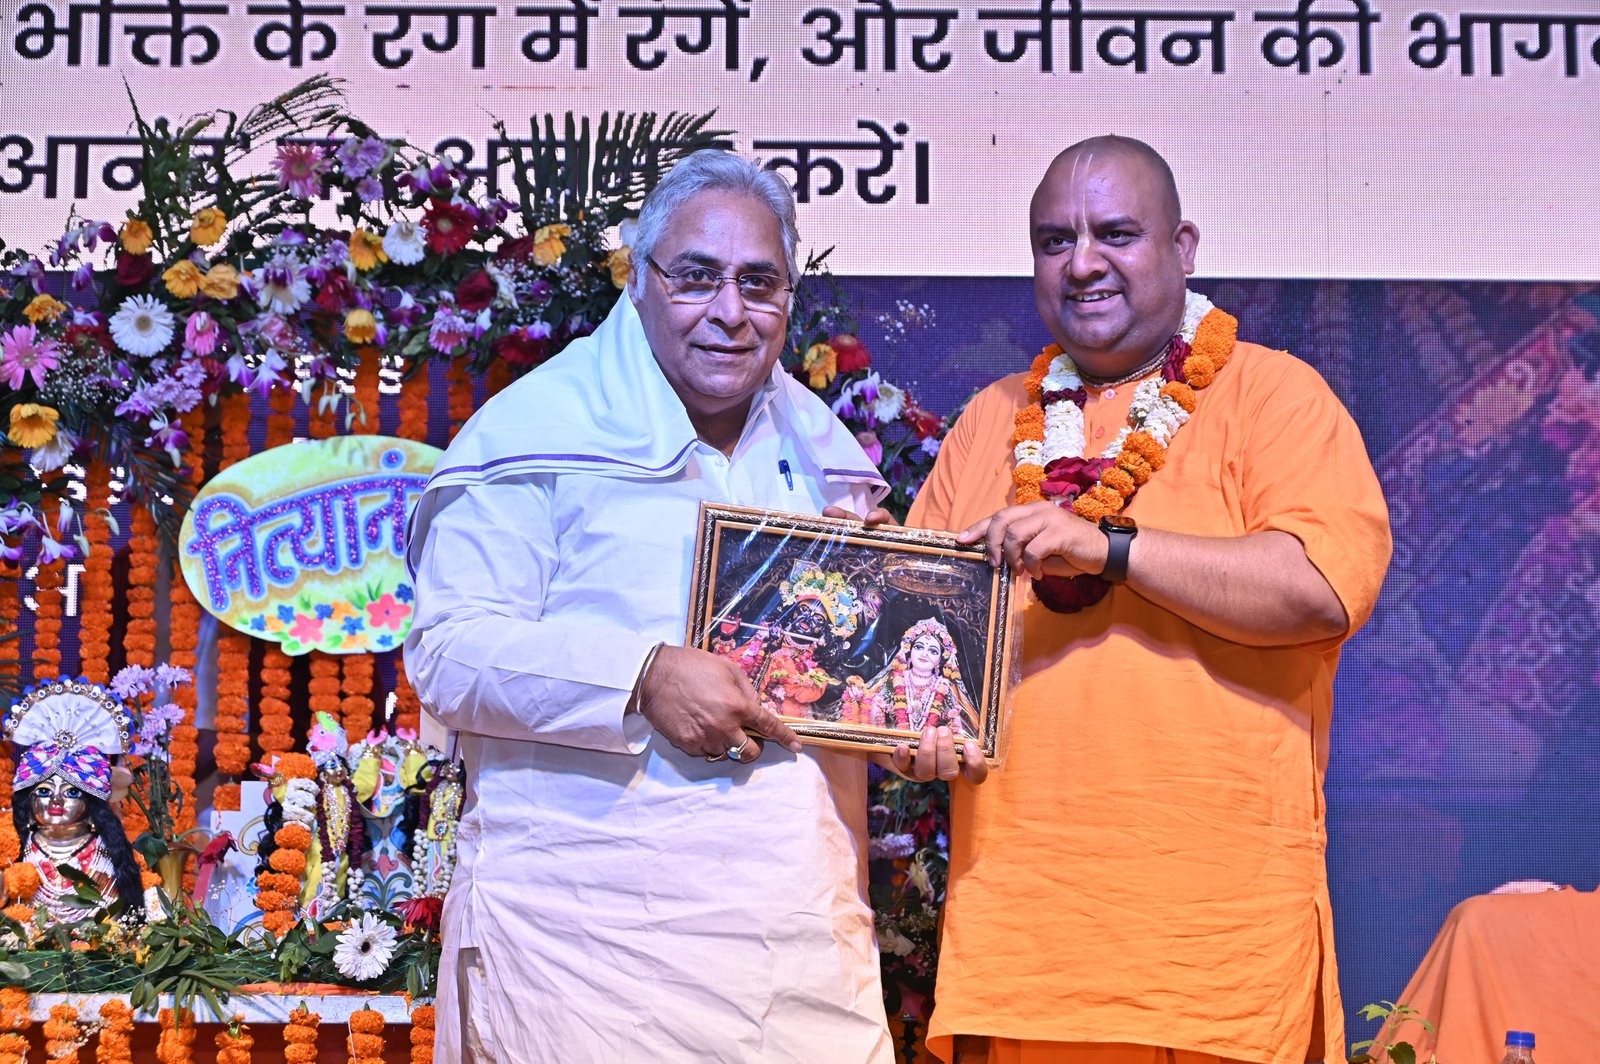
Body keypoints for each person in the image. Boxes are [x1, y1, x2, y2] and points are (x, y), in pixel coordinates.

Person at [404, 150, 984, 1063]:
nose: (729, 311)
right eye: (697, 276)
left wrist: (897, 726)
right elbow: (449, 653)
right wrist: (640, 678)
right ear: (639, 278)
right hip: (583, 949)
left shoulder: (821, 452)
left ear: (789, 296)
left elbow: (836, 687)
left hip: (794, 951)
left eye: (759, 283)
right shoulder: (535, 432)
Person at [906, 136, 1392, 1064]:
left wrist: (1112, 548)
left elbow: (1322, 589)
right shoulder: (991, 419)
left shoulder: (1275, 394)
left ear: (1184, 246)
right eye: (1055, 241)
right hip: (1024, 952)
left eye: (1116, 234)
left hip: (1214, 959)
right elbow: (919, 646)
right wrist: (915, 734)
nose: (1082, 262)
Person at [847, 618, 978, 736]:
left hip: (931, 745)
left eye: (933, 650)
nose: (924, 654)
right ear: (909, 651)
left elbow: (955, 723)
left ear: (940, 660)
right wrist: (859, 697)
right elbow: (874, 706)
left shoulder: (944, 687)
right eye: (919, 647)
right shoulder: (894, 679)